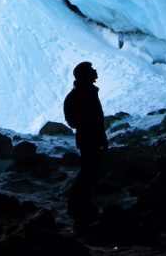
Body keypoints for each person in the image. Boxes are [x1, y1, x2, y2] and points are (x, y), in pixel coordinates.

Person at [64, 61, 109, 232]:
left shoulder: (83, 93)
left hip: (89, 137)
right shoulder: (84, 94)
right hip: (89, 137)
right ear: (85, 75)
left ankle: (80, 205)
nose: (95, 71)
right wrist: (95, 132)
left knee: (89, 171)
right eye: (91, 70)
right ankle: (78, 206)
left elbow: (76, 120)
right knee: (88, 172)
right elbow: (87, 120)